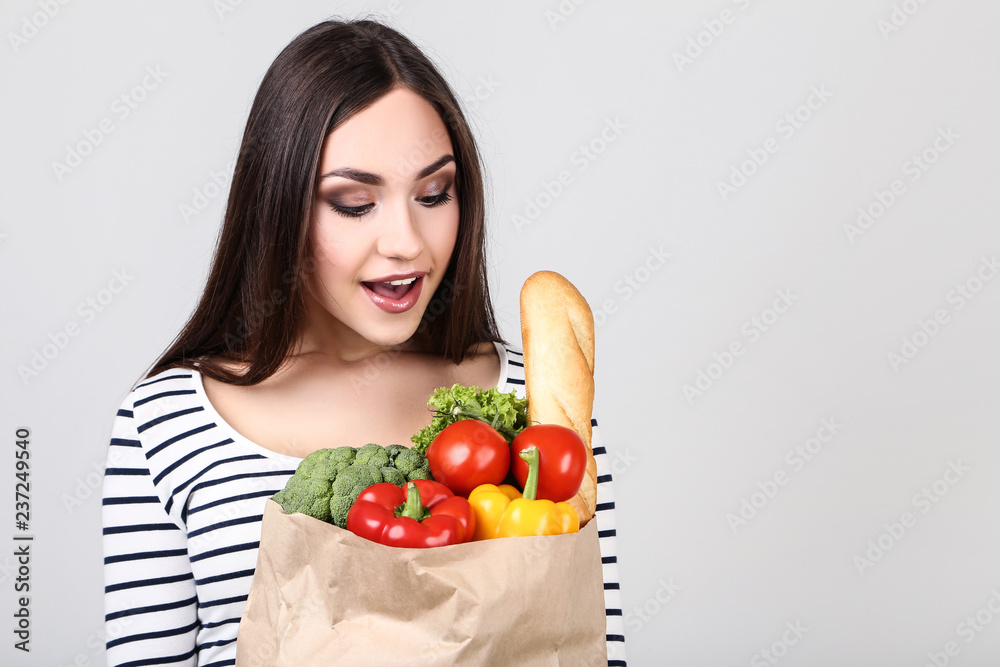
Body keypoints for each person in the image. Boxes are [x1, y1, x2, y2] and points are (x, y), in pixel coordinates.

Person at [101, 18, 627, 666]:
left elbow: (593, 648)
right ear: (279, 207)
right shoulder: (164, 424)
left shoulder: (539, 412)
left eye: (435, 193)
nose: (407, 240)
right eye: (355, 203)